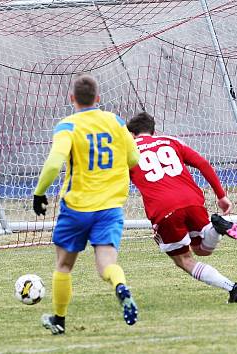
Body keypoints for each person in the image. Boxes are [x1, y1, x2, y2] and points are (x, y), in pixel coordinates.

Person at [32, 74, 140, 335]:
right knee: (106, 264)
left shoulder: (67, 126)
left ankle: (59, 319)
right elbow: (134, 158)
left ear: (72, 99)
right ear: (98, 98)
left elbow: (55, 161)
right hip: (110, 207)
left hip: (77, 207)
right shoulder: (115, 121)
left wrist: (39, 193)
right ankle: (119, 285)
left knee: (64, 265)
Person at [126, 111, 237, 303]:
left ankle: (232, 287)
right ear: (153, 130)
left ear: (131, 134)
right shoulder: (171, 141)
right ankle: (216, 227)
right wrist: (221, 196)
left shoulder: (127, 149)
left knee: (184, 260)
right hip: (192, 199)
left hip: (165, 208)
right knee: (202, 250)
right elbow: (203, 163)